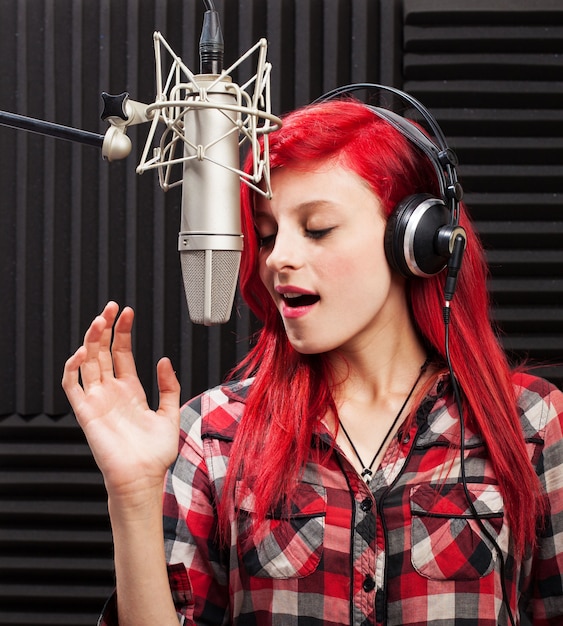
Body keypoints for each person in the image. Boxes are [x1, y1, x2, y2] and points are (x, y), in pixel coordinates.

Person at [62, 94, 563, 626]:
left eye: (318, 228)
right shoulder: (213, 433)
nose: (279, 258)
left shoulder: (531, 422)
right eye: (269, 234)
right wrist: (134, 496)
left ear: (417, 239)